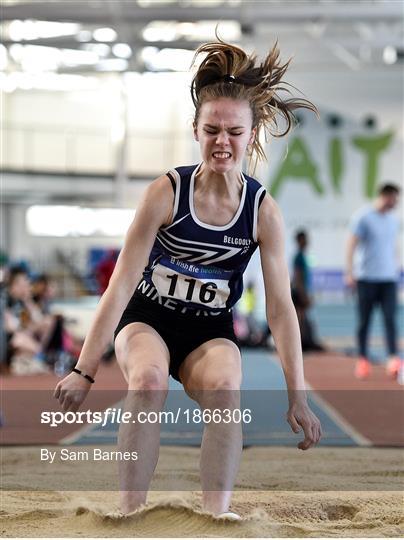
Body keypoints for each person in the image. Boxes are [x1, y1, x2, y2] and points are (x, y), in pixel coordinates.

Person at [54, 38, 322, 517]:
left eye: (234, 132)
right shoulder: (165, 194)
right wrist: (84, 369)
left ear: (252, 131)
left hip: (209, 332)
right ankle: (129, 513)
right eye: (212, 130)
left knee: (225, 389)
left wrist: (297, 393)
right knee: (150, 381)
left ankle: (216, 516)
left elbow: (281, 311)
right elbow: (119, 287)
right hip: (147, 321)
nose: (223, 142)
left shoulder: (263, 212)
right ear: (195, 130)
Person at [346, 183, 402, 381]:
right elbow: (351, 244)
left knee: (390, 320)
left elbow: (393, 246)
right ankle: (362, 359)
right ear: (385, 196)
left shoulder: (394, 220)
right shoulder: (364, 217)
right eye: (394, 198)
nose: (397, 202)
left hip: (388, 279)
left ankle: (393, 359)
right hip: (366, 278)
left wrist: (397, 269)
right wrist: (349, 271)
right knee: (364, 321)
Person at [291, 230, 325, 352]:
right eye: (304, 239)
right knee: (299, 317)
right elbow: (298, 276)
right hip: (299, 291)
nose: (307, 242)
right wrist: (303, 294)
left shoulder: (303, 256)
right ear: (299, 241)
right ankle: (299, 343)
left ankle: (303, 342)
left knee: (303, 317)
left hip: (302, 290)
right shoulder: (298, 257)